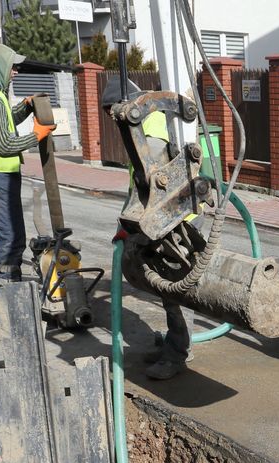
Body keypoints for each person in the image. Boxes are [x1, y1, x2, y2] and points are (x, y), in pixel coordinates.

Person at [103, 78, 193, 381]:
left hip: (174, 224)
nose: (111, 119)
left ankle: (177, 354)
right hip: (163, 222)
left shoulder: (149, 135)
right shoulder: (146, 127)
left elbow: (152, 190)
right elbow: (139, 188)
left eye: (111, 112)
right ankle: (174, 345)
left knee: (175, 290)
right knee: (165, 289)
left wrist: (129, 226)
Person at [0, 44, 56, 283]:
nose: (15, 71)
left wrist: (24, 108)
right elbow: (4, 145)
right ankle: (8, 281)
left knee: (9, 226)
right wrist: (37, 135)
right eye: (11, 67)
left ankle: (10, 275)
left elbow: (3, 121)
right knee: (11, 231)